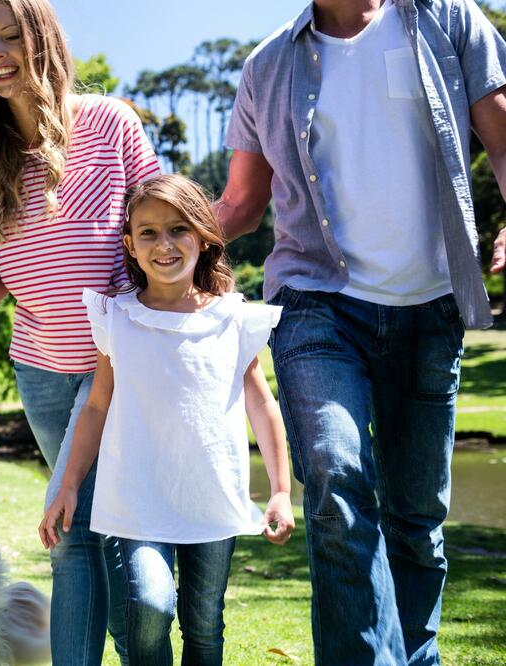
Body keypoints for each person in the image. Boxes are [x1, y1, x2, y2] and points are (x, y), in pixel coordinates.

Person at [217, 0, 506, 662]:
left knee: (416, 522)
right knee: (337, 482)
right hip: (316, 300)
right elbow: (240, 201)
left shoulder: (450, 23)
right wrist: (147, 241)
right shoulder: (268, 66)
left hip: (431, 306)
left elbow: (503, 141)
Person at [0, 1, 160, 661]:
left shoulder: (110, 124)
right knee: (75, 532)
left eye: (10, 36)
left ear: (42, 38)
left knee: (112, 530)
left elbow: (165, 225)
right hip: (42, 369)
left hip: (117, 363)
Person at [38, 174, 294, 665]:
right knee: (151, 605)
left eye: (178, 229)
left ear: (202, 236)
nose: (165, 244)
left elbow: (262, 405)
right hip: (137, 501)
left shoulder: (232, 319)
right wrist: (69, 484)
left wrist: (280, 489)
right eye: (149, 233)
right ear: (131, 246)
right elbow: (96, 406)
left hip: (211, 499)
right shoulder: (118, 318)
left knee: (204, 626)